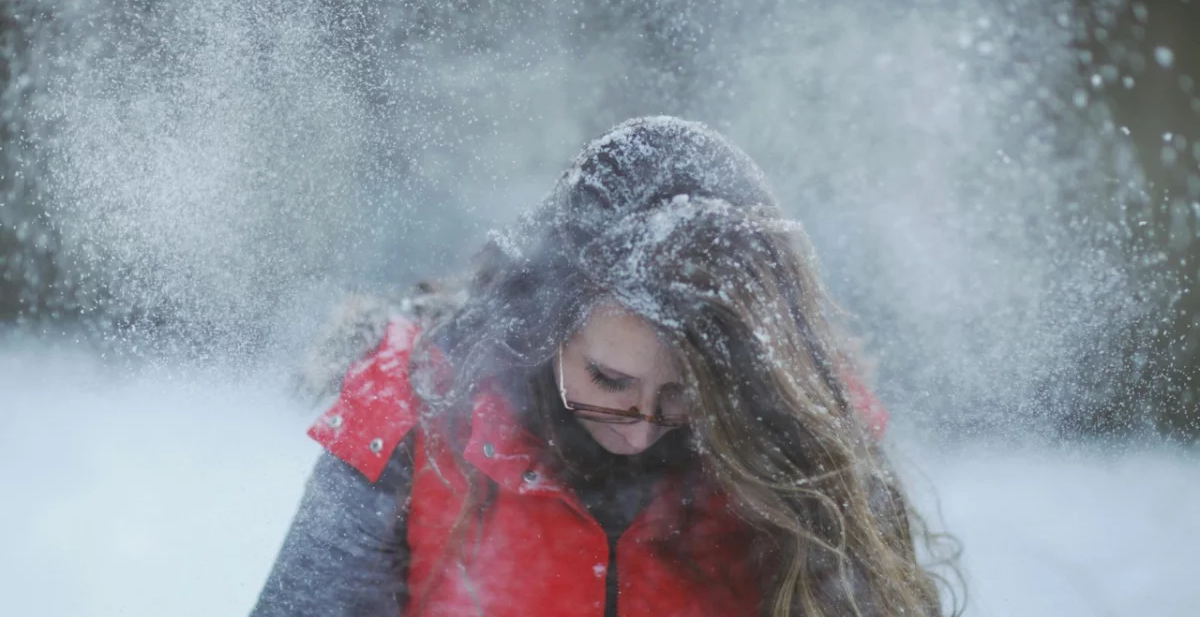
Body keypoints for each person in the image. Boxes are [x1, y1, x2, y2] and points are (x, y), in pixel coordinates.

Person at [250, 116, 960, 617]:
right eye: (609, 381)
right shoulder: (411, 418)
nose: (641, 429)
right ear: (547, 322)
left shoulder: (810, 452)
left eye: (686, 397)